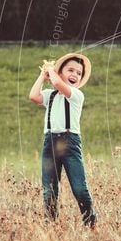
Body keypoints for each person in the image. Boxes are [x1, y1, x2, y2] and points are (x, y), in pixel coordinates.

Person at [29, 52, 98, 228]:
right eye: (70, 70)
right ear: (60, 72)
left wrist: (52, 72)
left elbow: (59, 84)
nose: (75, 75)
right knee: (49, 189)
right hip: (49, 142)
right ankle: (50, 225)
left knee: (79, 188)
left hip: (70, 142)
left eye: (79, 73)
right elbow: (33, 96)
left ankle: (90, 223)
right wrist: (42, 75)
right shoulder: (50, 95)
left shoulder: (76, 95)